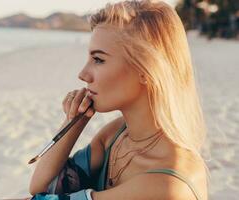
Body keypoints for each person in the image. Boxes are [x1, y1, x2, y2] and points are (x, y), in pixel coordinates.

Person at [28, 0, 210, 199]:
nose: (83, 74)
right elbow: (43, 187)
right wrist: (74, 121)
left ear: (146, 70)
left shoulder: (168, 184)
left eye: (98, 59)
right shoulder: (115, 135)